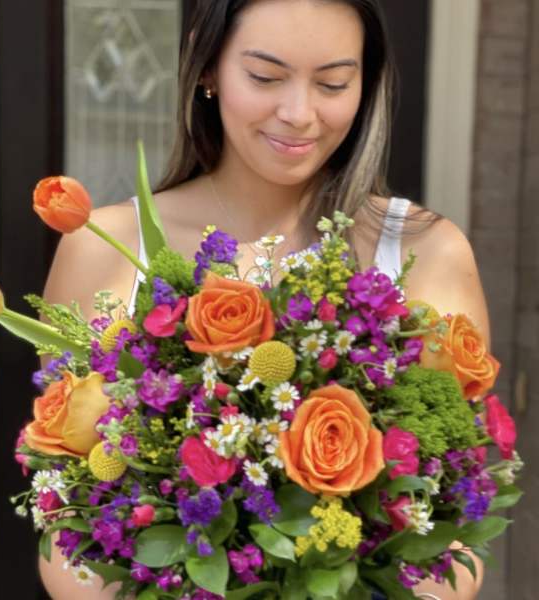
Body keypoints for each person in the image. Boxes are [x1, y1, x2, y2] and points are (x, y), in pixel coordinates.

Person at [38, 1, 489, 598]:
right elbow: (67, 516)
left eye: (333, 84)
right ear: (208, 67)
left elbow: (458, 527)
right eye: (265, 76)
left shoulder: (428, 252)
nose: (299, 113)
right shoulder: (104, 247)